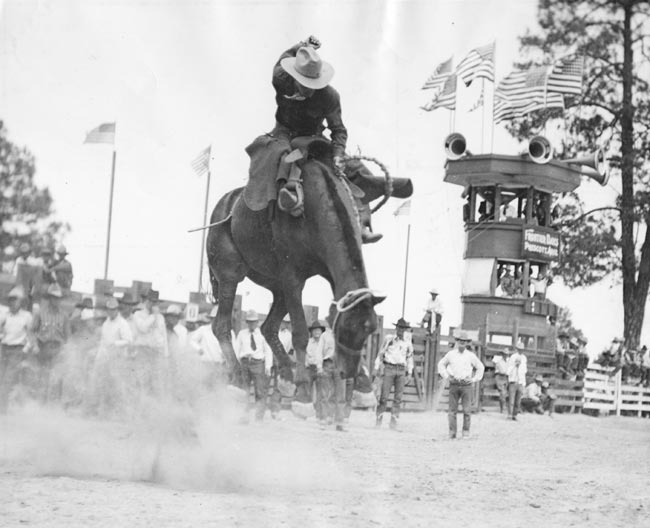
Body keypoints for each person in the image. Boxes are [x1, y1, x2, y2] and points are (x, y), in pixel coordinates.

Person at [268, 36, 381, 243]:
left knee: (354, 168)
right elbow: (285, 56)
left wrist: (338, 155)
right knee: (277, 158)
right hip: (284, 132)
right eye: (304, 83)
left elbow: (338, 130)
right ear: (294, 76)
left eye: (314, 84)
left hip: (314, 137)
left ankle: (362, 224)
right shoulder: (280, 78)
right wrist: (302, 45)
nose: (309, 89)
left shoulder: (329, 96)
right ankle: (280, 204)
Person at [88, 298, 133, 417]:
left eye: (113, 310)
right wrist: (98, 358)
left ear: (117, 310)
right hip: (104, 359)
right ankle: (103, 412)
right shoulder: (106, 323)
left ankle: (123, 413)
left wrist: (115, 344)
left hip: (118, 360)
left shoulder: (123, 323)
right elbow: (103, 342)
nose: (111, 312)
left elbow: (129, 340)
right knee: (103, 385)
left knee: (118, 387)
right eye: (109, 310)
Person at [437, 330, 485, 439]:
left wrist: (473, 379)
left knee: (467, 410)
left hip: (466, 385)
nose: (462, 343)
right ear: (457, 341)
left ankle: (466, 432)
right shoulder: (451, 354)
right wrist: (447, 376)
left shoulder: (470, 356)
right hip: (454, 383)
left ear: (467, 342)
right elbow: (441, 364)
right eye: (460, 340)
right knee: (452, 411)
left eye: (464, 341)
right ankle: (452, 432)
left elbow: (480, 367)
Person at [31, 283, 70, 403]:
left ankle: (54, 406)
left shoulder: (64, 315)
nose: (56, 300)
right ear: (49, 298)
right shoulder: (40, 313)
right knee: (43, 377)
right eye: (53, 297)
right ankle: (40, 404)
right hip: (43, 348)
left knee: (57, 378)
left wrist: (65, 350)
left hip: (58, 349)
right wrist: (35, 345)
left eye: (58, 298)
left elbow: (67, 336)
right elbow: (32, 331)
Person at [374, 317, 414, 431]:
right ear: (396, 328)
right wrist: (377, 367)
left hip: (401, 369)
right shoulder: (389, 339)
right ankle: (378, 421)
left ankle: (393, 423)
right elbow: (381, 353)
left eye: (403, 328)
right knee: (384, 396)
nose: (401, 330)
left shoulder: (407, 343)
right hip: (389, 368)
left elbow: (410, 358)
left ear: (405, 330)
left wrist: (409, 372)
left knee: (398, 398)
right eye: (399, 327)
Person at [235, 310, 273, 422]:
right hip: (245, 362)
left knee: (260, 390)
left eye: (254, 322)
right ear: (247, 322)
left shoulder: (263, 334)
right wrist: (236, 365)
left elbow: (268, 351)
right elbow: (237, 348)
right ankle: (243, 415)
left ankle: (259, 417)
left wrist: (268, 367)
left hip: (258, 363)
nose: (252, 324)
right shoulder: (242, 333)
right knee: (243, 390)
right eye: (249, 322)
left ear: (257, 322)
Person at [0, 287, 34, 412]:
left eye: (15, 300)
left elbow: (31, 336)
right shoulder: (4, 316)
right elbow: (1, 332)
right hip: (4, 348)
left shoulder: (26, 316)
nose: (12, 303)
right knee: (1, 377)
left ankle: (2, 409)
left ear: (21, 302)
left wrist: (25, 349)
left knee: (8, 379)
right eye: (10, 300)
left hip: (17, 350)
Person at [131, 289, 168, 397]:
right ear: (146, 301)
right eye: (151, 301)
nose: (153, 304)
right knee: (142, 382)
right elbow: (143, 328)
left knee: (157, 383)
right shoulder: (138, 315)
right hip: (143, 352)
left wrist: (165, 355)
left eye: (155, 302)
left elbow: (163, 337)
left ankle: (152, 408)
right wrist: (153, 316)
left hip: (157, 353)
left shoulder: (160, 317)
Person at [190, 306, 226, 389]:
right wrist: (198, 349)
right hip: (205, 365)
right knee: (204, 388)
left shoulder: (224, 332)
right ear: (211, 319)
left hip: (219, 365)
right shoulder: (203, 330)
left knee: (217, 388)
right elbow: (192, 341)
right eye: (214, 319)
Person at [304, 319, 331, 425]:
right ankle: (308, 414)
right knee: (307, 391)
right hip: (310, 368)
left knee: (322, 393)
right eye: (314, 330)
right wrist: (306, 365)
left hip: (321, 368)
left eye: (318, 330)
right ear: (311, 332)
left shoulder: (325, 342)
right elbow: (306, 354)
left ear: (322, 332)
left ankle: (321, 415)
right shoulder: (309, 342)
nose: (316, 332)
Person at [506, 343, 527, 420]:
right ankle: (509, 414)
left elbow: (524, 371)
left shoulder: (524, 358)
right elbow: (508, 370)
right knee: (511, 399)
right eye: (519, 349)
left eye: (522, 349)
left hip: (520, 381)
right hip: (513, 381)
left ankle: (515, 415)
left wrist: (523, 383)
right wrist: (515, 365)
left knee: (518, 401)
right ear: (517, 349)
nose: (521, 350)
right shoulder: (513, 357)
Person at [492, 347, 510, 414]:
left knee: (507, 392)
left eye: (507, 354)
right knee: (502, 393)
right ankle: (502, 409)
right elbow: (502, 371)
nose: (505, 355)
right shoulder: (499, 361)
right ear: (502, 354)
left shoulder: (509, 361)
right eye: (504, 354)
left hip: (506, 377)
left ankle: (506, 408)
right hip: (500, 377)